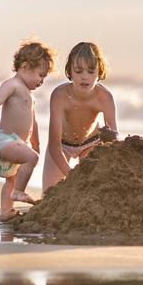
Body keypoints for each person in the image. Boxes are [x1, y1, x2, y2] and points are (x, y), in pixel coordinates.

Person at [0, 39, 55, 222]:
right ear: (25, 66)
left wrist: (35, 141)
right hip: (5, 140)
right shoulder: (12, 85)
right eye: (40, 75)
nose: (41, 81)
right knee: (32, 159)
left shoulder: (30, 95)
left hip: (18, 142)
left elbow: (32, 121)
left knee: (11, 179)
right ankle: (19, 192)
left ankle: (6, 212)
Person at [42, 41, 118, 192]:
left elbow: (114, 140)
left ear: (100, 72)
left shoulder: (105, 98)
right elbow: (53, 143)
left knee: (91, 192)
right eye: (78, 71)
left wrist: (109, 138)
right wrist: (71, 175)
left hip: (91, 143)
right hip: (62, 146)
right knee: (49, 196)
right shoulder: (59, 96)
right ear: (69, 71)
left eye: (91, 72)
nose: (85, 77)